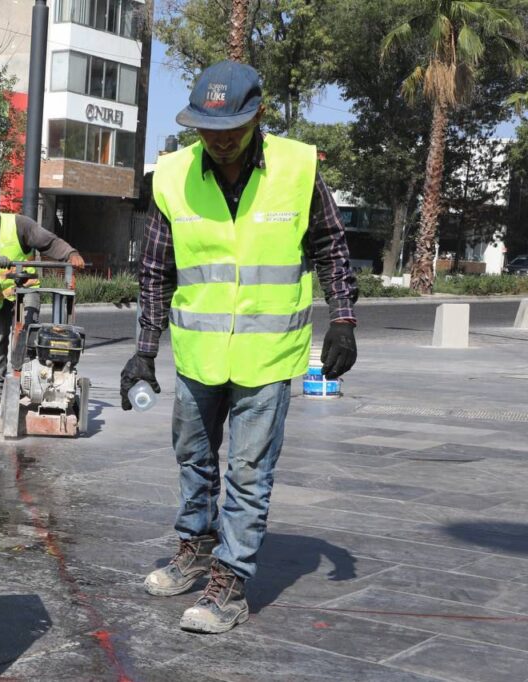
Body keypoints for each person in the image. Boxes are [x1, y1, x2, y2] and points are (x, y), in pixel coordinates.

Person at [119, 60, 358, 634]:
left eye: (231, 129)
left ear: (258, 116)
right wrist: (145, 351)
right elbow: (155, 270)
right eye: (207, 129)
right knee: (194, 462)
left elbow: (329, 243)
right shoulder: (172, 175)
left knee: (249, 470)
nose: (220, 141)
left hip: (267, 355)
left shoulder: (298, 168)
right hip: (199, 354)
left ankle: (229, 579)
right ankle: (195, 546)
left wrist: (343, 318)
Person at [0, 190, 85, 408]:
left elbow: (48, 241)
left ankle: (27, 385)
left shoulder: (18, 224)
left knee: (26, 338)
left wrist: (70, 254)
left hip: (25, 291)